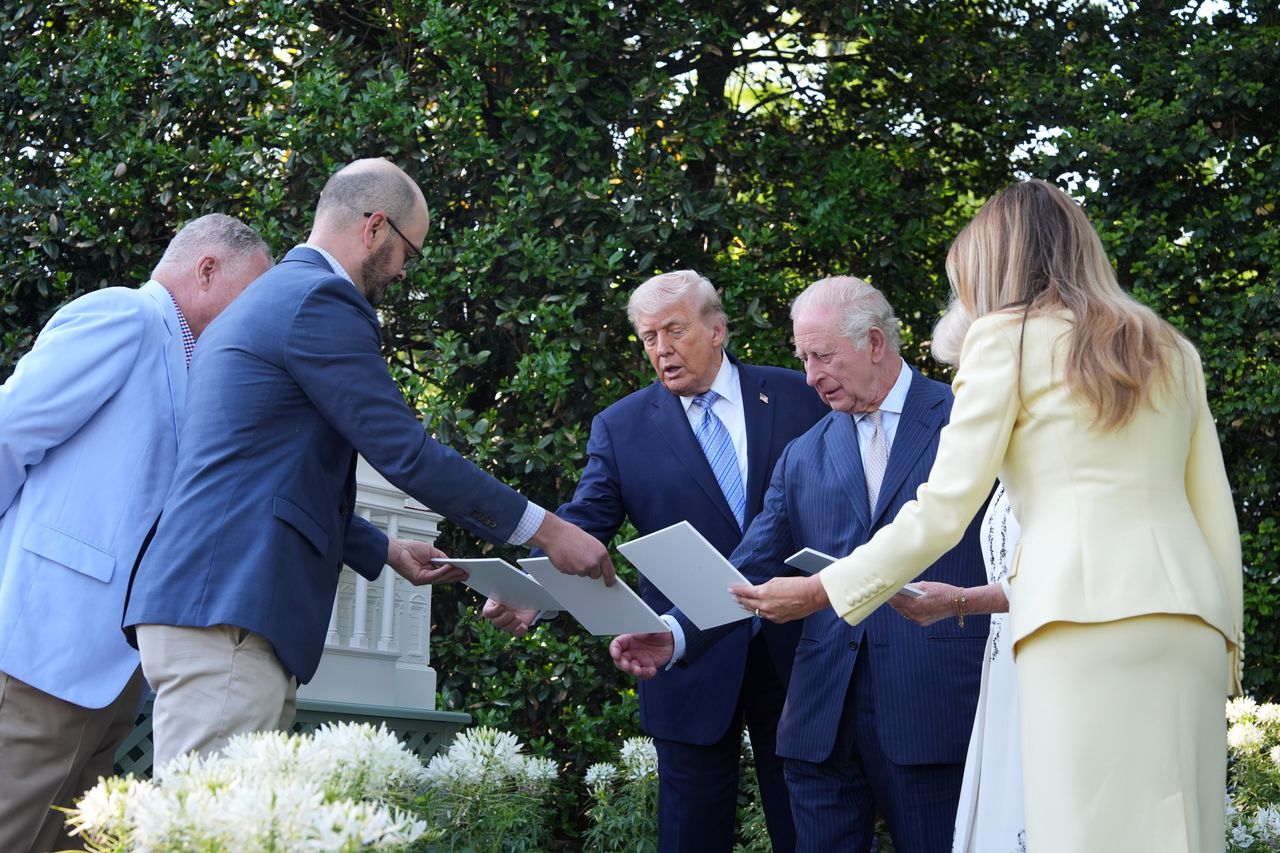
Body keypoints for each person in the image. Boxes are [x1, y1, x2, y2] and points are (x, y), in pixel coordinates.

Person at [733, 180, 1243, 853]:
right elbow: (1213, 510)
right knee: (1183, 832)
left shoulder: (1003, 339)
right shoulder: (1169, 347)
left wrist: (825, 588)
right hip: (1191, 622)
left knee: (1082, 832)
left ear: (995, 262)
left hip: (1075, 618)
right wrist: (1228, 643)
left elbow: (943, 509)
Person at [122, 158, 615, 769]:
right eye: (410, 251)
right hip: (229, 607)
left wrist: (382, 548)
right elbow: (405, 452)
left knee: (223, 812)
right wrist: (549, 530)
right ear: (375, 227)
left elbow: (256, 473)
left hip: (213, 603)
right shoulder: (320, 298)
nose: (405, 271)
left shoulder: (266, 299)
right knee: (206, 817)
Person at [612, 275, 989, 853]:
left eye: (822, 356)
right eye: (803, 358)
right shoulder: (803, 453)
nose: (810, 376)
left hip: (933, 708)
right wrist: (676, 634)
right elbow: (747, 567)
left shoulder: (965, 422)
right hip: (821, 719)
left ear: (874, 343)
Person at [485, 270, 827, 852]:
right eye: (648, 337)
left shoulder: (800, 396)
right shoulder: (621, 428)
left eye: (675, 330)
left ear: (717, 330)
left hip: (797, 652)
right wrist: (534, 593)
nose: (662, 349)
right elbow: (585, 523)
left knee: (812, 833)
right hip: (685, 659)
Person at [0, 214, 273, 853]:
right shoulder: (124, 316)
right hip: (43, 647)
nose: (254, 316)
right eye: (250, 294)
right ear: (207, 270)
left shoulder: (199, 365)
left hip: (117, 668)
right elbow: (8, 430)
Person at [887, 303, 1026, 853]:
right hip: (1005, 668)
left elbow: (1076, 573)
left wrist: (961, 601)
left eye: (969, 371)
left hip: (1051, 662)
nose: (961, 389)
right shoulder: (1005, 460)